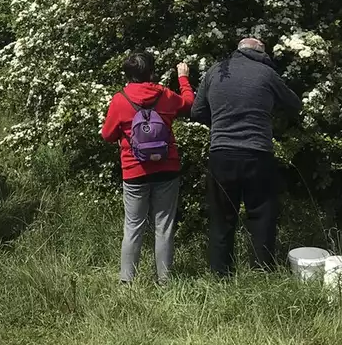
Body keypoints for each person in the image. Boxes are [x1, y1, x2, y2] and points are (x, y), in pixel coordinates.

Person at [191, 38, 302, 276]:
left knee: (222, 217)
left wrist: (221, 121)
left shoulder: (215, 71)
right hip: (257, 153)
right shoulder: (266, 73)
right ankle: (262, 271)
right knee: (262, 214)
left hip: (221, 153)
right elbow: (294, 104)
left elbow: (197, 111)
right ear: (261, 53)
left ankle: (220, 275)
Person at [101, 52, 195, 284]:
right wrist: (183, 78)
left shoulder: (120, 99)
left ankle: (127, 281)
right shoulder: (165, 95)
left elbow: (107, 135)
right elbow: (190, 104)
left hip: (135, 171)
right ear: (151, 71)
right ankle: (164, 280)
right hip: (167, 169)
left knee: (133, 226)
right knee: (163, 226)